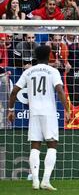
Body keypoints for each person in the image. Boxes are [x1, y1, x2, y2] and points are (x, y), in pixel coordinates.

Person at [7, 45, 70, 190]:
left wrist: (11, 110)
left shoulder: (28, 71)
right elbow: (59, 90)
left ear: (35, 56)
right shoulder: (53, 71)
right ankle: (45, 180)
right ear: (49, 56)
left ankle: (35, 181)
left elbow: (14, 91)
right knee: (52, 144)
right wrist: (67, 109)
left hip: (34, 112)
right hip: (49, 112)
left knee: (35, 146)